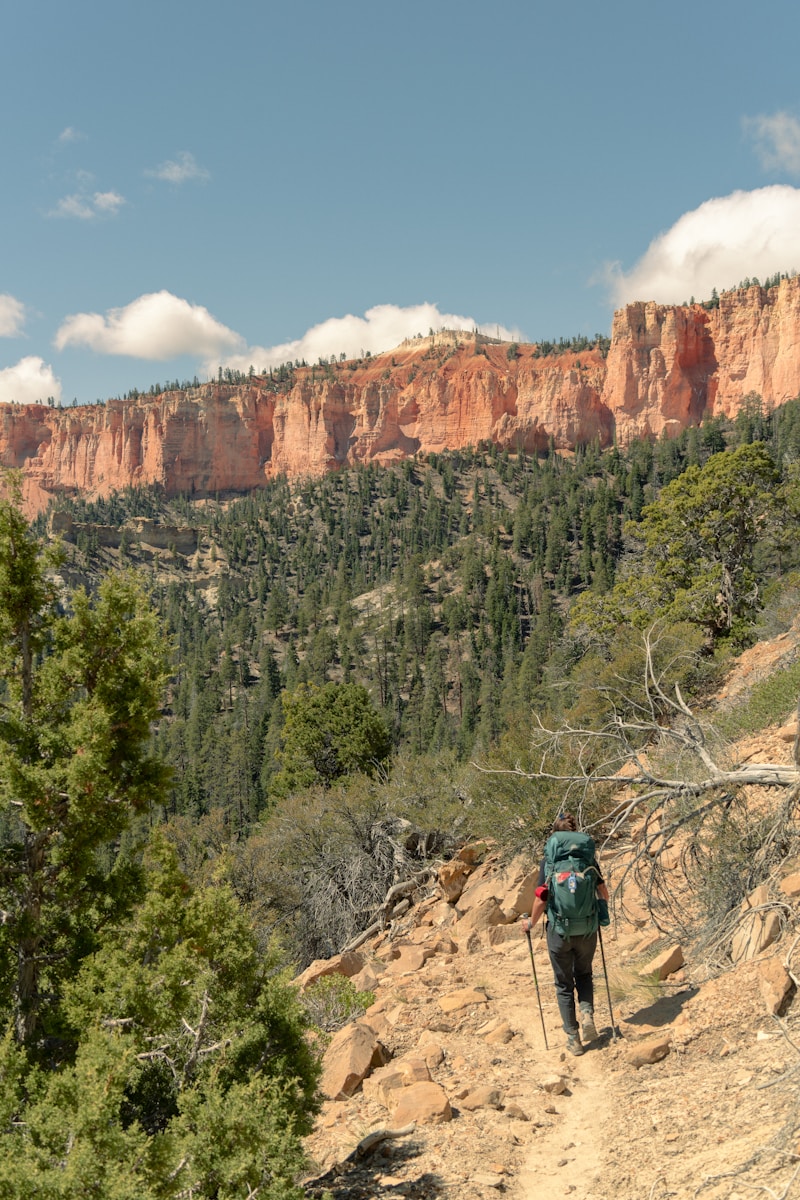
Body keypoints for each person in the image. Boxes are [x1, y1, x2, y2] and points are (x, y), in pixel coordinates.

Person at [521, 813, 610, 1056]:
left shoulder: (549, 864)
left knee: (563, 984)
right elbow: (604, 892)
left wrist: (531, 923)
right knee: (584, 974)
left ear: (554, 838)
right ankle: (587, 1013)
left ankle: (573, 1037)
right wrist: (597, 912)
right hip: (588, 930)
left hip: (559, 932)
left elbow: (541, 898)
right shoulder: (587, 860)